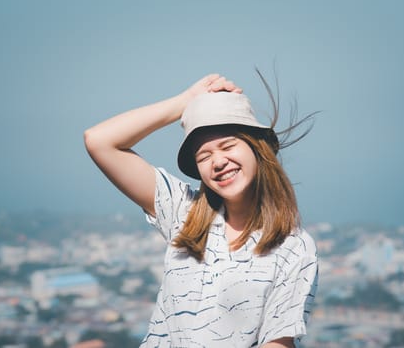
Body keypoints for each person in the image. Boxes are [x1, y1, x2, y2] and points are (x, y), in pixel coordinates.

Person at [84, 73, 318, 348]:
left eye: (228, 146)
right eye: (203, 156)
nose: (218, 161)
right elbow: (99, 141)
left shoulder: (293, 246)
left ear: (258, 149)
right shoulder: (184, 213)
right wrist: (185, 101)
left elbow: (278, 343)